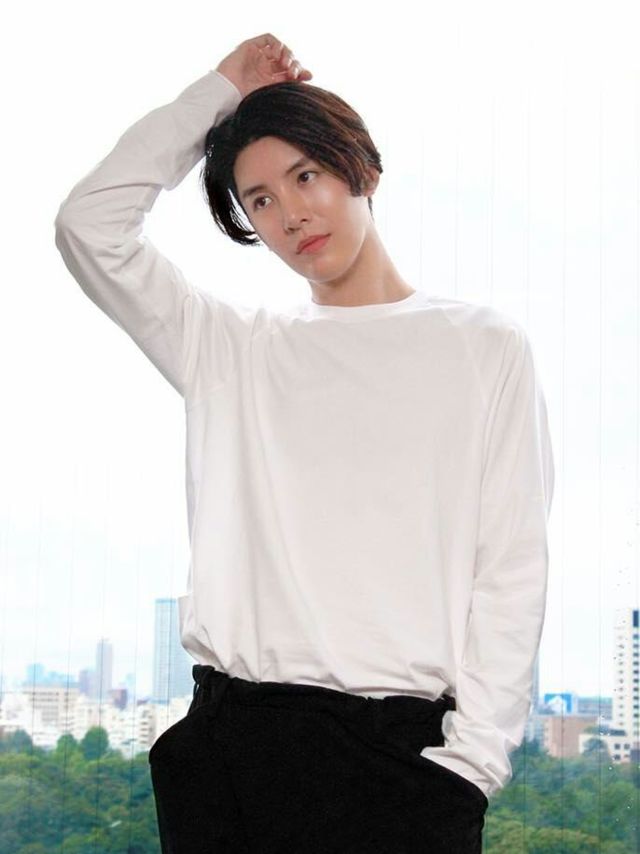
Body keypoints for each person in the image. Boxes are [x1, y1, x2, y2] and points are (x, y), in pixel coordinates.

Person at [53, 32, 554, 854]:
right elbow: (89, 224)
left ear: (363, 171)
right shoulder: (230, 349)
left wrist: (472, 767)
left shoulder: (483, 346)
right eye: (259, 200)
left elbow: (511, 570)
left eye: (305, 176)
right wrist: (221, 90)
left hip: (400, 763)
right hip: (229, 751)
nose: (289, 215)